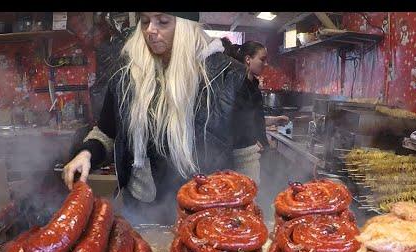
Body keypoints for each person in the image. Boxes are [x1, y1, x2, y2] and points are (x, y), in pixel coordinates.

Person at [62, 12, 250, 223]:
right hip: (141, 210)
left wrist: (246, 209)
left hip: (208, 213)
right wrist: (87, 153)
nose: (151, 29)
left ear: (186, 26)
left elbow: (246, 155)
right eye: (145, 22)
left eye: (163, 21)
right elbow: (107, 132)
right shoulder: (128, 75)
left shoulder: (229, 77)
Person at [221, 38, 288, 184]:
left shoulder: (252, 84)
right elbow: (233, 120)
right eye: (262, 59)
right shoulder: (238, 84)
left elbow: (253, 118)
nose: (265, 64)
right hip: (244, 153)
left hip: (255, 151)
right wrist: (252, 140)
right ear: (248, 59)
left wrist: (275, 120)